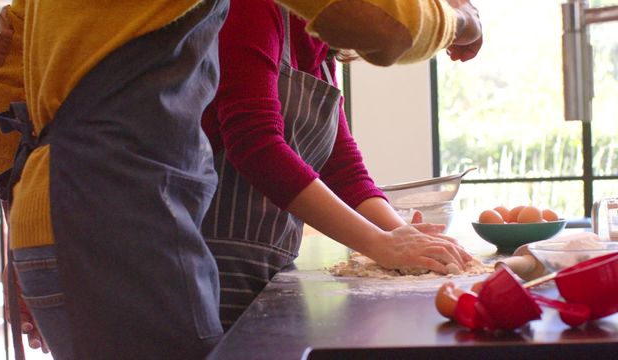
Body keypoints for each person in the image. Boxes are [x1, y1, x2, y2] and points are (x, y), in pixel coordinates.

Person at [0, 0, 481, 359]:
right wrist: (457, 18)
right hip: (122, 220)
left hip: (72, 216)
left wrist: (29, 227)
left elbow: (7, 77)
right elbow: (383, 24)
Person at [201, 0, 482, 329]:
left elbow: (342, 164)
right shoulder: (252, 8)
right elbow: (257, 146)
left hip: (271, 265)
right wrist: (379, 244)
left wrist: (400, 233)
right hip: (214, 264)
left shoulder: (319, 41)